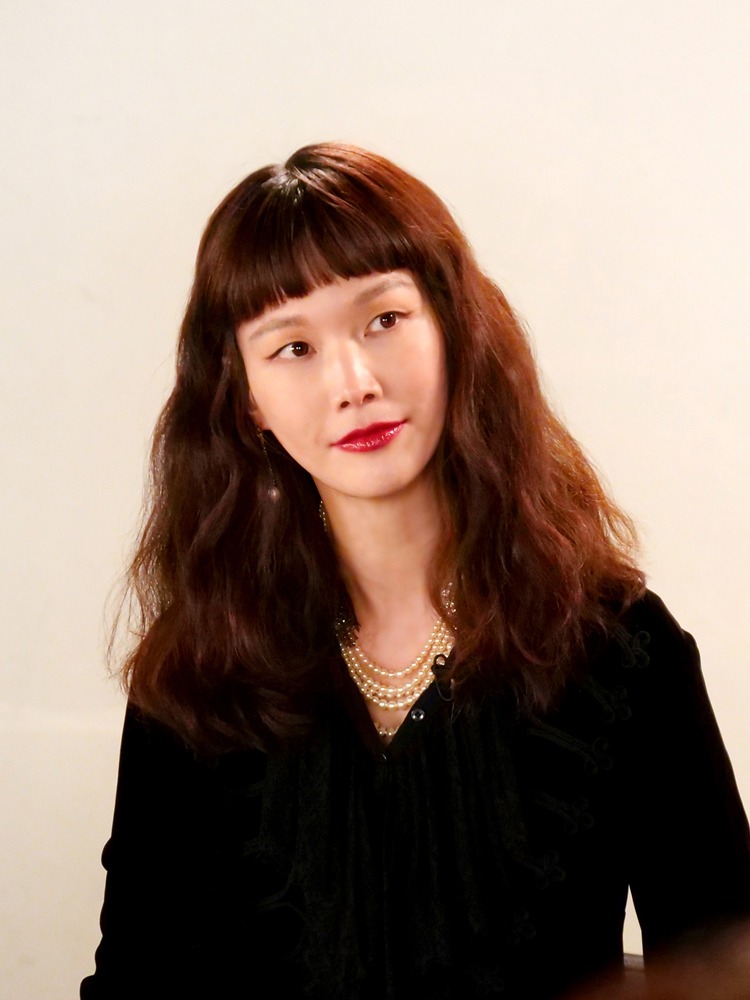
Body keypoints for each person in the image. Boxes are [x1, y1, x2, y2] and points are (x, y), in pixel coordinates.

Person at [81, 143, 750, 1000]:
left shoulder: (622, 650)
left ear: (455, 329)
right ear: (244, 399)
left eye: (384, 320)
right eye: (293, 347)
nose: (353, 382)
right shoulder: (199, 673)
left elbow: (723, 975)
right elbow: (134, 982)